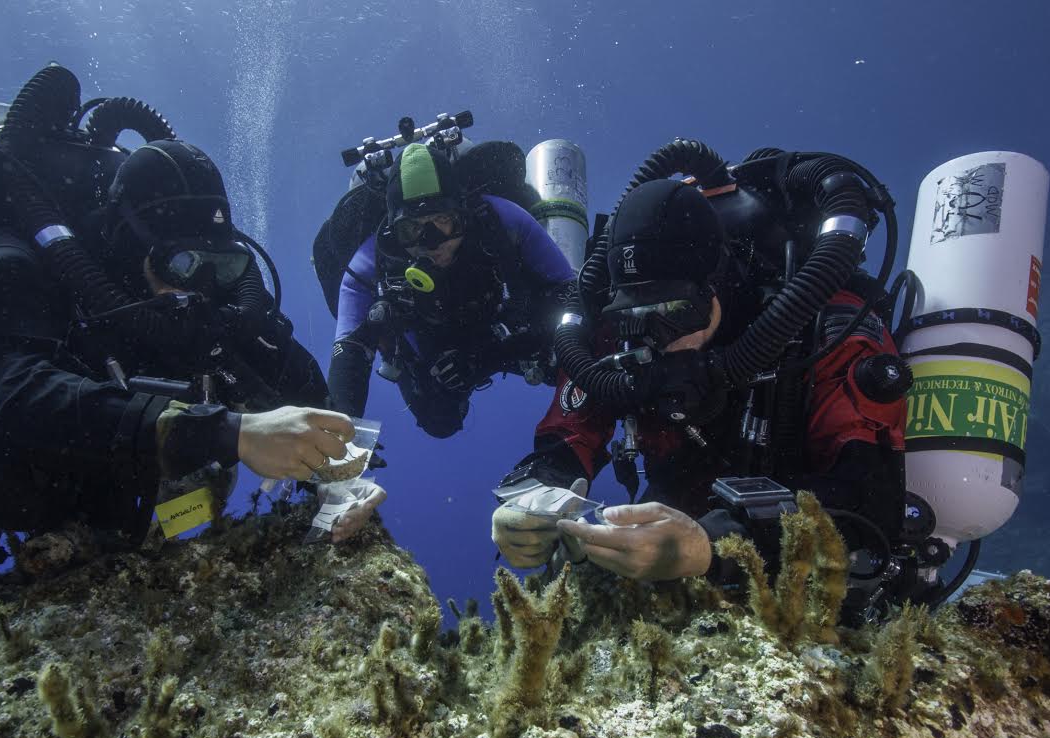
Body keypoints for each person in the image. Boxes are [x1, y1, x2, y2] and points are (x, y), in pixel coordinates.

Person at [0, 66, 383, 576]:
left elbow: (295, 384)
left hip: (117, 510)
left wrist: (345, 483)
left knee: (184, 482)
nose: (198, 289)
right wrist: (228, 432)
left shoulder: (200, 290)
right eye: (180, 264)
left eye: (220, 265)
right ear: (126, 243)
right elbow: (15, 394)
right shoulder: (17, 262)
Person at [492, 143, 912, 614]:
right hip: (676, 525)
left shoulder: (820, 326)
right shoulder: (615, 334)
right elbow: (570, 434)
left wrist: (715, 542)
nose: (656, 339)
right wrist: (529, 497)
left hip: (816, 576)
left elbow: (870, 501)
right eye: (636, 317)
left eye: (676, 313)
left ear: (720, 287)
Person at [327, 143, 574, 438]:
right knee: (439, 421)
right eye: (412, 230)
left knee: (568, 358)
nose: (431, 242)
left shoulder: (500, 220)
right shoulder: (371, 261)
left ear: (463, 215)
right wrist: (337, 436)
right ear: (394, 231)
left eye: (442, 222)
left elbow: (567, 292)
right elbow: (349, 350)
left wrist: (488, 357)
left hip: (507, 333)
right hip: (432, 352)